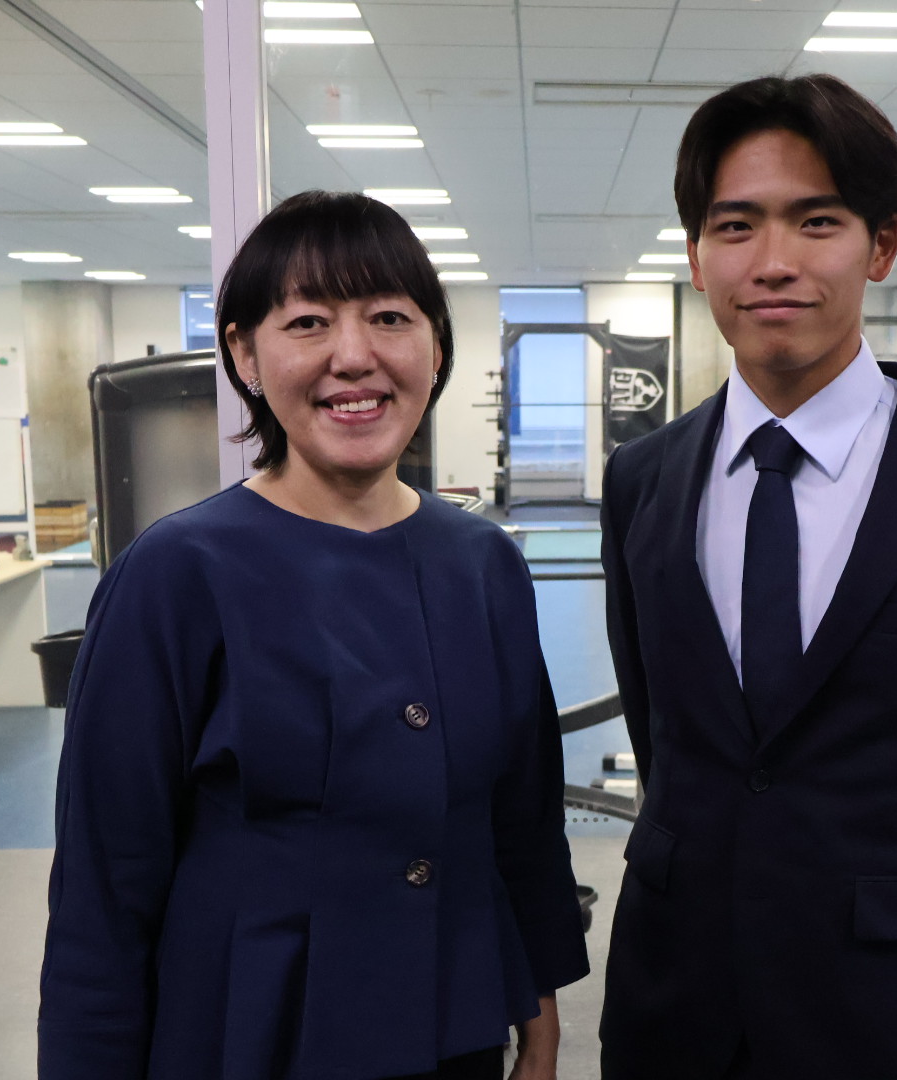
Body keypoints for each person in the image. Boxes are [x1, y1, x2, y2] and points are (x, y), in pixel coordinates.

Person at [598, 75, 897, 1079]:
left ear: (881, 246)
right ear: (696, 256)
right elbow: (666, 737)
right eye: (735, 225)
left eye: (816, 221)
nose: (773, 261)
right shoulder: (643, 481)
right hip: (676, 1005)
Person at [38, 190, 589, 1080]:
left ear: (436, 347)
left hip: (452, 1023)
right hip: (250, 1035)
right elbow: (106, 885)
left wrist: (540, 999)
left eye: (389, 317)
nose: (354, 356)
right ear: (244, 354)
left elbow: (520, 823)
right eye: (307, 323)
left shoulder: (483, 563)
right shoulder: (176, 574)